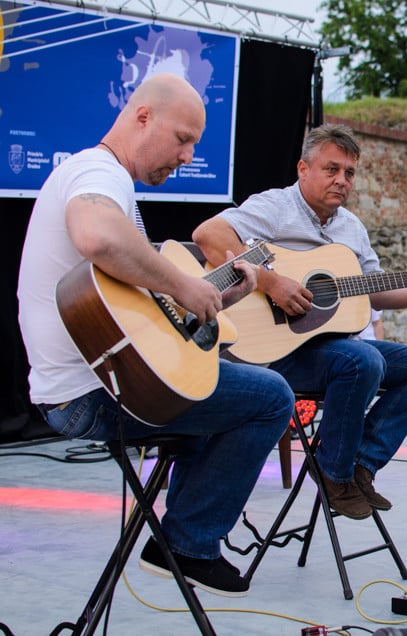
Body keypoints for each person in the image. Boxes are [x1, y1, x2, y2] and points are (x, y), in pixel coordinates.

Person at [16, 73, 294, 597]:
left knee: (211, 376)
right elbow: (96, 235)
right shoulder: (99, 172)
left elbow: (142, 312)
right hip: (94, 393)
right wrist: (184, 286)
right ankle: (187, 544)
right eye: (183, 138)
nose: (188, 156)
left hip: (97, 382)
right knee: (270, 397)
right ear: (143, 117)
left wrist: (211, 296)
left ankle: (184, 536)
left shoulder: (106, 181)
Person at [193, 124, 407, 520]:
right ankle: (331, 472)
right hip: (274, 351)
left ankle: (361, 467)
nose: (342, 180)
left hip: (330, 349)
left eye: (350, 173)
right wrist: (272, 283)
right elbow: (208, 235)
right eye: (331, 169)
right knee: (362, 361)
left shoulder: (350, 228)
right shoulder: (275, 207)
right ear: (304, 168)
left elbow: (376, 292)